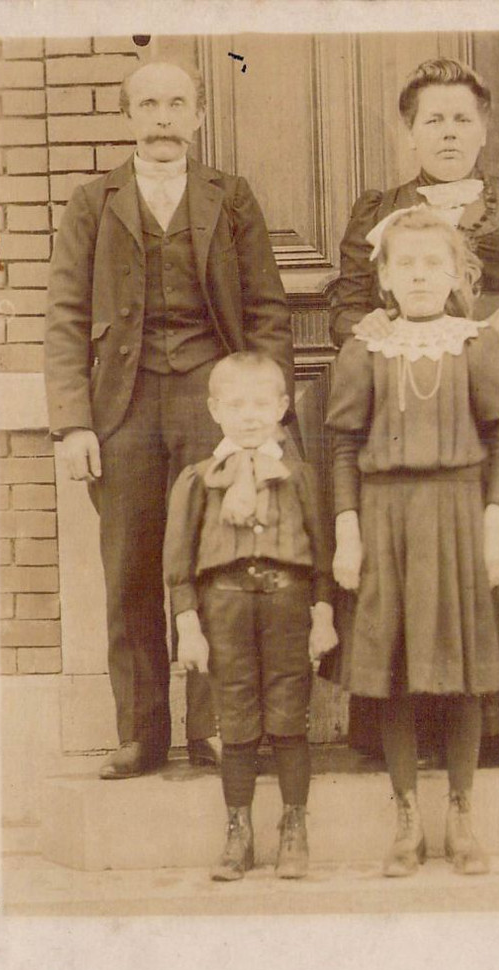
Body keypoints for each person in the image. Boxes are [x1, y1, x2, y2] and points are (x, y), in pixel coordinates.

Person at [330, 57, 499, 764]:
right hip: (414, 393)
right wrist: (377, 335)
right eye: (432, 120)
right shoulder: (378, 209)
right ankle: (418, 722)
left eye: (461, 118)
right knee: (425, 543)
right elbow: (345, 306)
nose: (447, 132)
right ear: (409, 133)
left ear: (483, 128)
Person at [44, 60, 296, 780]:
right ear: (129, 116)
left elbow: (267, 308)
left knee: (216, 561)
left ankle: (213, 728)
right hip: (120, 408)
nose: (161, 117)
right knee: (128, 570)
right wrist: (72, 423)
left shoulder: (231, 196)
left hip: (210, 400)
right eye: (148, 104)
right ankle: (142, 733)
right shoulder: (93, 201)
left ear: (198, 115)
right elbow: (62, 316)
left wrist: (262, 410)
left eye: (175, 103)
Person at [327, 205, 499, 876]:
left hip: (456, 516)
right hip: (385, 520)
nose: (418, 276)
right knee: (394, 675)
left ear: (455, 276)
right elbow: (343, 445)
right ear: (383, 277)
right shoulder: (364, 347)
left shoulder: (476, 344)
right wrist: (347, 532)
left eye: (431, 265)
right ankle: (406, 814)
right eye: (404, 265)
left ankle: (462, 813)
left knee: (462, 675)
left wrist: (493, 523)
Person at [163, 352, 337, 880]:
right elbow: (178, 566)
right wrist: (189, 628)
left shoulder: (300, 477)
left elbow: (324, 557)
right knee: (235, 722)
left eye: (262, 403)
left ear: (283, 407)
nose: (249, 415)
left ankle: (294, 827)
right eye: (236, 404)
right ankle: (238, 833)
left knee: (288, 717)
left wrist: (324, 616)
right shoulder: (197, 480)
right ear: (215, 409)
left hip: (287, 606)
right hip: (225, 609)